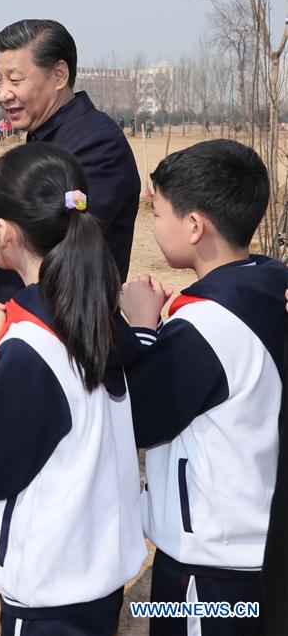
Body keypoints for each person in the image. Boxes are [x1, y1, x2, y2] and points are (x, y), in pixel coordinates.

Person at [0, 142, 146, 635]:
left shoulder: (31, 346)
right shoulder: (96, 314)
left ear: (2, 233)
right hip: (95, 573)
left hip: (49, 592)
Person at [118, 139, 287, 636]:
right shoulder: (269, 284)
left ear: (194, 227)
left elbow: (140, 416)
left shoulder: (207, 327)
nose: (154, 225)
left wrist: (142, 329)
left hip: (209, 568)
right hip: (255, 544)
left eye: (159, 213)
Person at [0, 19, 140, 308]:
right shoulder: (44, 136)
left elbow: (65, 232)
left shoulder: (97, 143)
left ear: (59, 75)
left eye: (15, 80)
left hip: (56, 333)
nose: (2, 94)